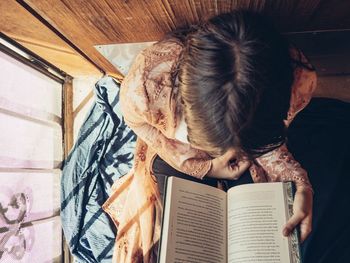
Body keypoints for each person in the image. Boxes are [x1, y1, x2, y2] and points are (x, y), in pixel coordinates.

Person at [103, 10, 316, 263]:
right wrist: (201, 165)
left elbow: (269, 140)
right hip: (177, 153)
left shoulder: (298, 84)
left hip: (255, 158)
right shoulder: (147, 84)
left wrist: (302, 185)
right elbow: (137, 123)